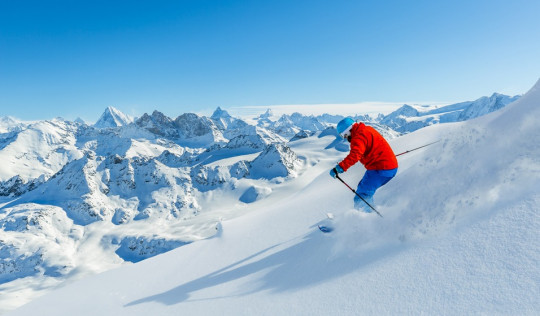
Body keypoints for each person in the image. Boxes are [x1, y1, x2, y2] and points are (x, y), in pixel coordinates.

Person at [329, 117, 398, 212]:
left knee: (362, 196)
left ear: (347, 131)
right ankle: (368, 213)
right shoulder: (366, 129)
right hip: (389, 166)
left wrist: (339, 168)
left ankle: (366, 220)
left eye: (344, 135)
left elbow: (355, 155)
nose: (345, 138)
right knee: (363, 188)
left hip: (381, 169)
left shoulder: (358, 137)